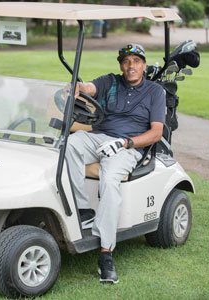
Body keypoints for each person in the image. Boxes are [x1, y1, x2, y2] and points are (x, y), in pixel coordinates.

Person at [65, 43, 165, 284]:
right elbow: (90, 87)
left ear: (143, 64)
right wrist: (79, 87)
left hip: (128, 147)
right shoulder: (110, 81)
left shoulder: (155, 92)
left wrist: (125, 144)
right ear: (121, 65)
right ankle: (84, 210)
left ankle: (106, 253)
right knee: (69, 145)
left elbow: (156, 133)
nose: (131, 66)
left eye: (136, 61)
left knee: (110, 179)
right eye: (126, 61)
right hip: (99, 137)